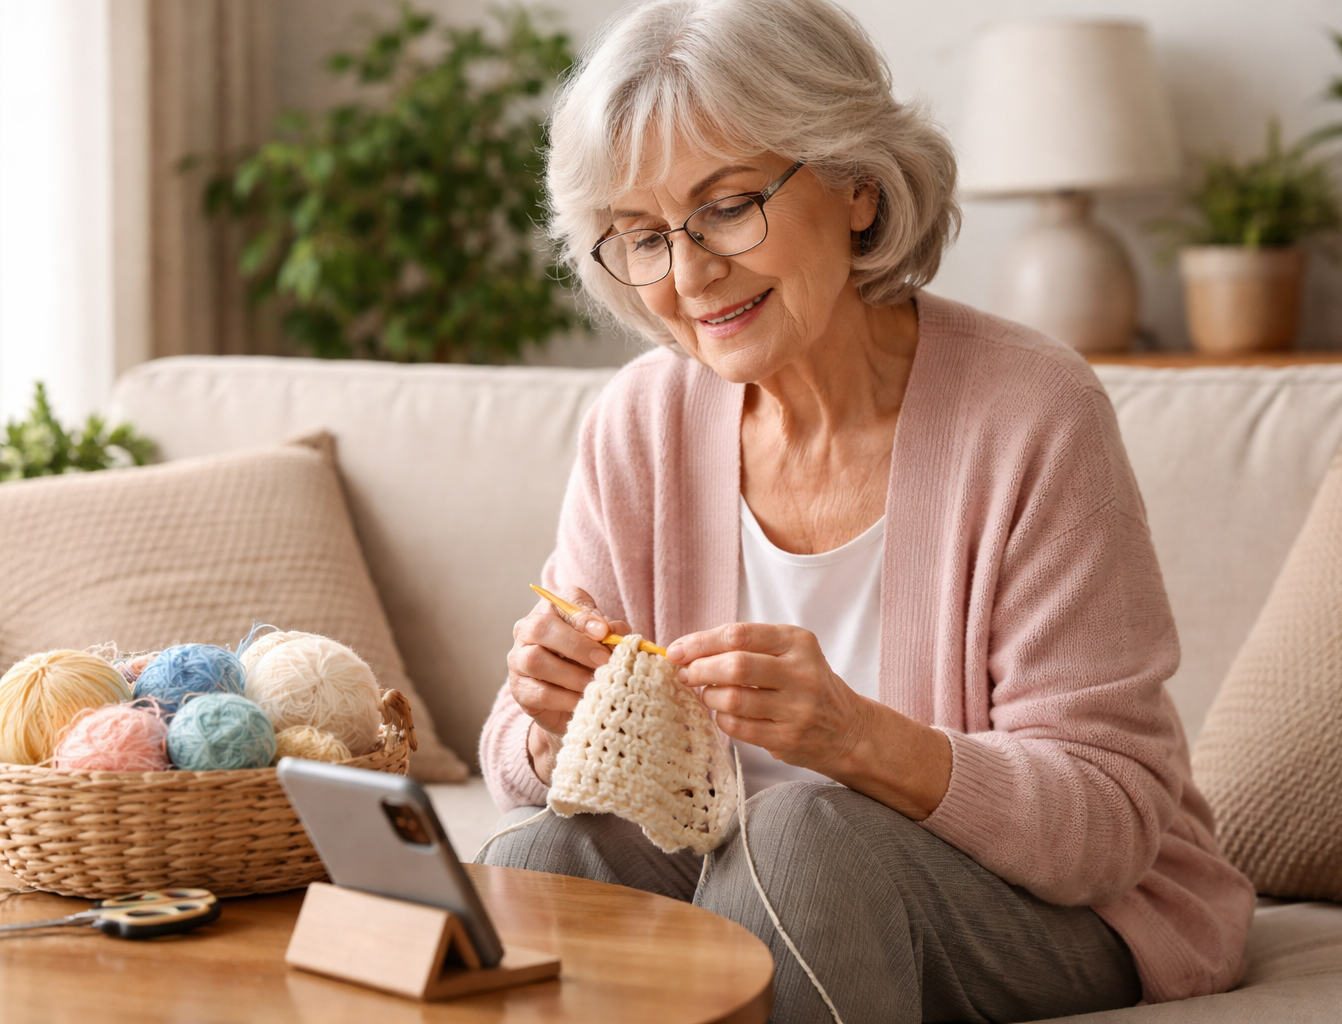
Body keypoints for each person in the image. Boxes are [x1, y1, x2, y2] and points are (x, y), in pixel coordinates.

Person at [477, 1, 1254, 1020]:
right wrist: (547, 722)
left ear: (854, 183)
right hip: (744, 872)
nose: (690, 272)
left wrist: (856, 739)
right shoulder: (642, 422)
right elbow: (515, 765)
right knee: (542, 854)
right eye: (643, 236)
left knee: (799, 837)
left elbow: (1110, 820)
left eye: (727, 206)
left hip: (1062, 904)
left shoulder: (1031, 411)